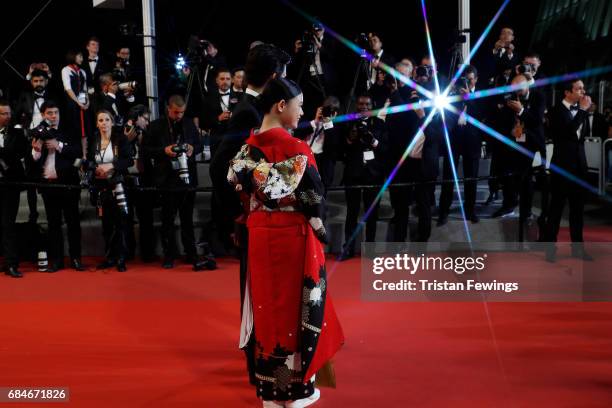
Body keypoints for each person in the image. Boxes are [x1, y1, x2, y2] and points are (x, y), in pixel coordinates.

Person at [227, 77, 343, 408]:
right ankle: (296, 391)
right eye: (299, 105)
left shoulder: (246, 150)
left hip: (260, 234)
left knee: (269, 309)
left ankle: (272, 391)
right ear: (282, 106)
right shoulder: (297, 149)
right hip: (293, 235)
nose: (302, 110)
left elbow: (238, 187)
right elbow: (315, 195)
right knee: (298, 309)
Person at [144, 95, 203, 270]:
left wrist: (193, 149)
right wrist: (164, 151)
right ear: (168, 109)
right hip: (166, 179)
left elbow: (199, 145)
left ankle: (191, 254)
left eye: (182, 112)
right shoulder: (155, 126)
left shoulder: (189, 124)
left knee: (187, 219)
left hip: (187, 179)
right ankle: (169, 255)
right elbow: (146, 151)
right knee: (167, 220)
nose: (179, 116)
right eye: (176, 112)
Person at [30, 101, 84, 272]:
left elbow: (77, 153)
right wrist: (36, 150)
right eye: (49, 113)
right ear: (43, 114)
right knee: (53, 224)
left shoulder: (69, 130)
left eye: (56, 113)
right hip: (48, 184)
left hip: (68, 184)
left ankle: (76, 258)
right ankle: (57, 260)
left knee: (73, 222)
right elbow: (34, 160)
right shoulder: (38, 132)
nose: (53, 116)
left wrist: (58, 145)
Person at [544, 79, 593, 261]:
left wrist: (582, 112)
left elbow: (580, 140)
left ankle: (578, 249)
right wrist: (581, 111)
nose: (582, 91)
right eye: (578, 88)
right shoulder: (556, 111)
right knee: (556, 210)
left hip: (579, 168)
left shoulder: (582, 112)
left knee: (577, 211)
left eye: (583, 88)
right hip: (562, 168)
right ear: (567, 92)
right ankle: (550, 250)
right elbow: (566, 133)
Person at [337, 94, 388, 260]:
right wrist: (349, 140)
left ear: (372, 106)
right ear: (356, 105)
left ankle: (370, 249)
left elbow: (386, 149)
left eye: (367, 104)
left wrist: (373, 141)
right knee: (351, 214)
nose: (363, 107)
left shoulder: (379, 123)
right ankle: (348, 248)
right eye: (360, 104)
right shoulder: (348, 122)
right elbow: (341, 149)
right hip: (353, 174)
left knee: (371, 214)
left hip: (373, 175)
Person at [438, 65, 484, 226]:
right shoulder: (453, 94)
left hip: (472, 141)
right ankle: (443, 211)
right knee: (448, 177)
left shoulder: (480, 94)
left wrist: (469, 99)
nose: (467, 83)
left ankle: (470, 210)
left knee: (471, 178)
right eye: (464, 79)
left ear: (476, 79)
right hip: (454, 140)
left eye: (470, 79)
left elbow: (482, 115)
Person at [88, 110, 133, 272]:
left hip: (118, 185)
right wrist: (94, 170)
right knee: (106, 225)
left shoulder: (120, 139)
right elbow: (89, 160)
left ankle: (121, 258)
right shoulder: (94, 140)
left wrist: (112, 166)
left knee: (120, 223)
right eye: (101, 120)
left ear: (112, 122)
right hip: (101, 187)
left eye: (107, 120)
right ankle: (109, 257)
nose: (104, 123)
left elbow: (128, 160)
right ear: (97, 123)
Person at [0, 101, 27, 278]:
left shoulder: (17, 133)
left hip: (9, 186)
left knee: (8, 224)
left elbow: (19, 154)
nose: (8, 116)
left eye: (9, 113)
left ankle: (11, 263)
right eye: (4, 114)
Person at [61, 50, 90, 157]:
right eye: (80, 56)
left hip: (82, 105)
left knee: (84, 130)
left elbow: (85, 89)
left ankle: (84, 156)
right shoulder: (66, 70)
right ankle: (74, 155)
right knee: (73, 129)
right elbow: (68, 88)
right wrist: (78, 102)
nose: (82, 59)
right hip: (71, 104)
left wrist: (87, 102)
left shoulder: (82, 71)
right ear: (73, 56)